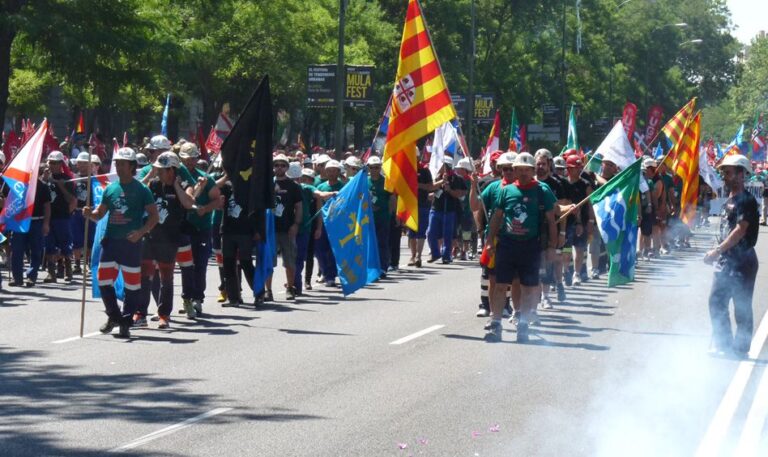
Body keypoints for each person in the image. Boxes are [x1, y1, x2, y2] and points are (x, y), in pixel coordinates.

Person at [83, 147, 159, 339]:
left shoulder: (142, 190)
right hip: (110, 243)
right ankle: (114, 316)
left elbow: (154, 216)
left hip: (131, 245)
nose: (118, 167)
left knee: (132, 286)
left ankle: (125, 322)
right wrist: (88, 214)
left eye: (122, 164)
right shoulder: (110, 188)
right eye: (116, 163)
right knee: (103, 281)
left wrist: (141, 232)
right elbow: (99, 214)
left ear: (132, 166)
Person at [484, 152, 557, 342]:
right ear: (514, 171)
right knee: (500, 285)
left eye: (527, 170)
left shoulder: (543, 190)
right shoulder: (506, 191)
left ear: (533, 171)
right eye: (519, 170)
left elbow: (551, 221)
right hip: (507, 244)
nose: (523, 173)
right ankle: (496, 324)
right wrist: (490, 240)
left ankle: (523, 325)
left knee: (528, 288)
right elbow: (497, 217)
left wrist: (552, 247)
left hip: (531, 246)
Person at [704, 154, 759, 358]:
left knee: (741, 306)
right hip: (727, 259)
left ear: (741, 174)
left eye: (728, 172)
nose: (724, 176)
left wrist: (718, 250)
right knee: (716, 301)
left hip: (742, 261)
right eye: (723, 172)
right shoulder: (731, 199)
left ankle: (740, 348)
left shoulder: (747, 200)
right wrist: (717, 249)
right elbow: (726, 230)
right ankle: (724, 345)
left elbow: (740, 230)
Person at [134, 152, 195, 329]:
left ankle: (164, 315)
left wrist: (176, 186)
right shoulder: (153, 184)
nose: (159, 172)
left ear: (172, 170)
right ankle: (140, 314)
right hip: (150, 235)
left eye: (162, 170)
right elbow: (136, 190)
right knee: (144, 276)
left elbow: (189, 203)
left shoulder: (183, 184)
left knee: (166, 279)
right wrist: (150, 174)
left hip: (170, 240)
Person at [178, 142, 222, 316]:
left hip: (201, 227)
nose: (190, 162)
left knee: (200, 264)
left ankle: (197, 299)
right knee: (184, 265)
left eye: (193, 158)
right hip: (182, 227)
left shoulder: (206, 178)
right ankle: (186, 298)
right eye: (187, 159)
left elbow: (217, 200)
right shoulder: (176, 176)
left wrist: (206, 208)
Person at [264, 153, 303, 301]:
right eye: (276, 165)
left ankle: (290, 288)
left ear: (287, 167)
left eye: (282, 165)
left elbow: (298, 207)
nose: (279, 168)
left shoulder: (294, 186)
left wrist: (296, 224)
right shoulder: (267, 184)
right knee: (269, 261)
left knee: (289, 261)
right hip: (270, 229)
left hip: (287, 228)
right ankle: (268, 290)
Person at [534, 149, 568, 307]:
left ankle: (546, 296)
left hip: (550, 229)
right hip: (532, 229)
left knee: (549, 261)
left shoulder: (557, 184)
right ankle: (533, 298)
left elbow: (563, 210)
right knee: (534, 264)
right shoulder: (529, 182)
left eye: (543, 164)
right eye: (538, 164)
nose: (540, 167)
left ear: (549, 165)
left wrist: (561, 232)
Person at [9, 168, 50, 287]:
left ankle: (32, 276)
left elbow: (47, 206)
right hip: (19, 222)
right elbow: (9, 203)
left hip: (36, 222)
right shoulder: (18, 185)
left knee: (36, 250)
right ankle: (17, 278)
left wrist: (46, 223)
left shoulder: (42, 186)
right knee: (17, 250)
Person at [43, 151, 76, 283]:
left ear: (61, 164)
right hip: (48, 217)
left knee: (65, 244)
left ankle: (68, 270)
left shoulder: (67, 179)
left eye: (56, 163)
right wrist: (44, 180)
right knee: (49, 244)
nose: (53, 165)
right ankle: (51, 272)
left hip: (62, 216)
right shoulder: (45, 178)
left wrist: (61, 186)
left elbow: (71, 199)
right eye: (51, 162)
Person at [427, 157, 467, 264]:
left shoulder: (457, 179)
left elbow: (461, 193)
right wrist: (440, 182)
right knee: (430, 232)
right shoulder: (436, 177)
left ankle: (446, 255)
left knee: (448, 234)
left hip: (450, 210)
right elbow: (431, 189)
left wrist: (450, 190)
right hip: (436, 209)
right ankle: (435, 253)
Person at [315, 160, 345, 287]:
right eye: (329, 170)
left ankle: (331, 276)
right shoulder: (321, 188)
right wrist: (318, 226)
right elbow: (318, 207)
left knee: (333, 251)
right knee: (320, 250)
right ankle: (324, 271)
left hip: (338, 224)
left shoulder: (344, 187)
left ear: (338, 172)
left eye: (334, 170)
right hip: (323, 223)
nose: (332, 173)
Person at [71, 152, 100, 275]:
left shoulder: (95, 180)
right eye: (80, 163)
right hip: (77, 212)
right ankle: (77, 264)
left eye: (85, 163)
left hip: (91, 211)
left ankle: (87, 263)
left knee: (89, 239)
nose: (82, 166)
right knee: (76, 239)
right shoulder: (74, 178)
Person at [367, 156, 395, 279]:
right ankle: (371, 268)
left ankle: (383, 267)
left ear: (380, 168)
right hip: (367, 218)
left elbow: (392, 199)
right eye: (372, 167)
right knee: (369, 243)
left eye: (377, 167)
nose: (374, 170)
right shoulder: (364, 181)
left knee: (382, 242)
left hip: (382, 218)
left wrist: (388, 214)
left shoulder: (386, 181)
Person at [407, 156, 434, 268]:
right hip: (410, 204)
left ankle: (419, 256)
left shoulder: (424, 170)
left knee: (421, 232)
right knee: (411, 232)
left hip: (423, 204)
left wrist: (418, 185)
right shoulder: (406, 169)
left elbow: (430, 186)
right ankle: (413, 256)